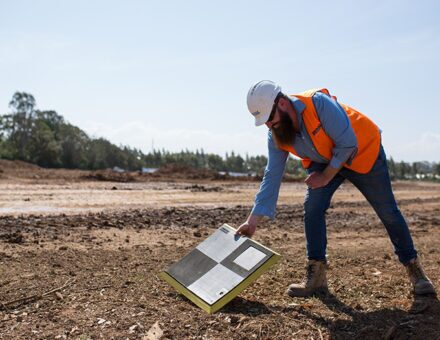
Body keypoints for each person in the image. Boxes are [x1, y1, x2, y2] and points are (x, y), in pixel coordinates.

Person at [237, 80, 436, 297]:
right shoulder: (276, 132)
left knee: (388, 211)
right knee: (312, 208)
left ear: (282, 103)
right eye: (264, 122)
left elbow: (348, 143)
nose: (268, 125)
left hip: (362, 151)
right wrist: (252, 221)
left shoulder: (318, 104)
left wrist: (326, 176)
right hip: (324, 159)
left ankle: (414, 269)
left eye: (269, 119)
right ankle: (317, 276)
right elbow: (272, 174)